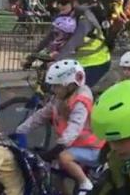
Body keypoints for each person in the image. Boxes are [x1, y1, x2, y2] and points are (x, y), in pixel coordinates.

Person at [15, 59, 105, 195]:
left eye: (57, 86)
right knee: (54, 173)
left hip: (92, 148)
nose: (53, 89)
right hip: (73, 146)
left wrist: (58, 147)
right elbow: (40, 116)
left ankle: (85, 183)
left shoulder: (81, 101)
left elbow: (74, 127)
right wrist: (19, 131)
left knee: (63, 157)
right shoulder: (59, 98)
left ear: (70, 86)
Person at [25, 0, 111, 87]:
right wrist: (30, 58)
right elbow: (48, 38)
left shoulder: (85, 18)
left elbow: (73, 43)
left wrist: (56, 61)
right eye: (58, 2)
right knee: (52, 88)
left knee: (73, 92)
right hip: (78, 61)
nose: (59, 6)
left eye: (63, 2)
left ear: (74, 3)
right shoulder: (63, 16)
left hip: (96, 62)